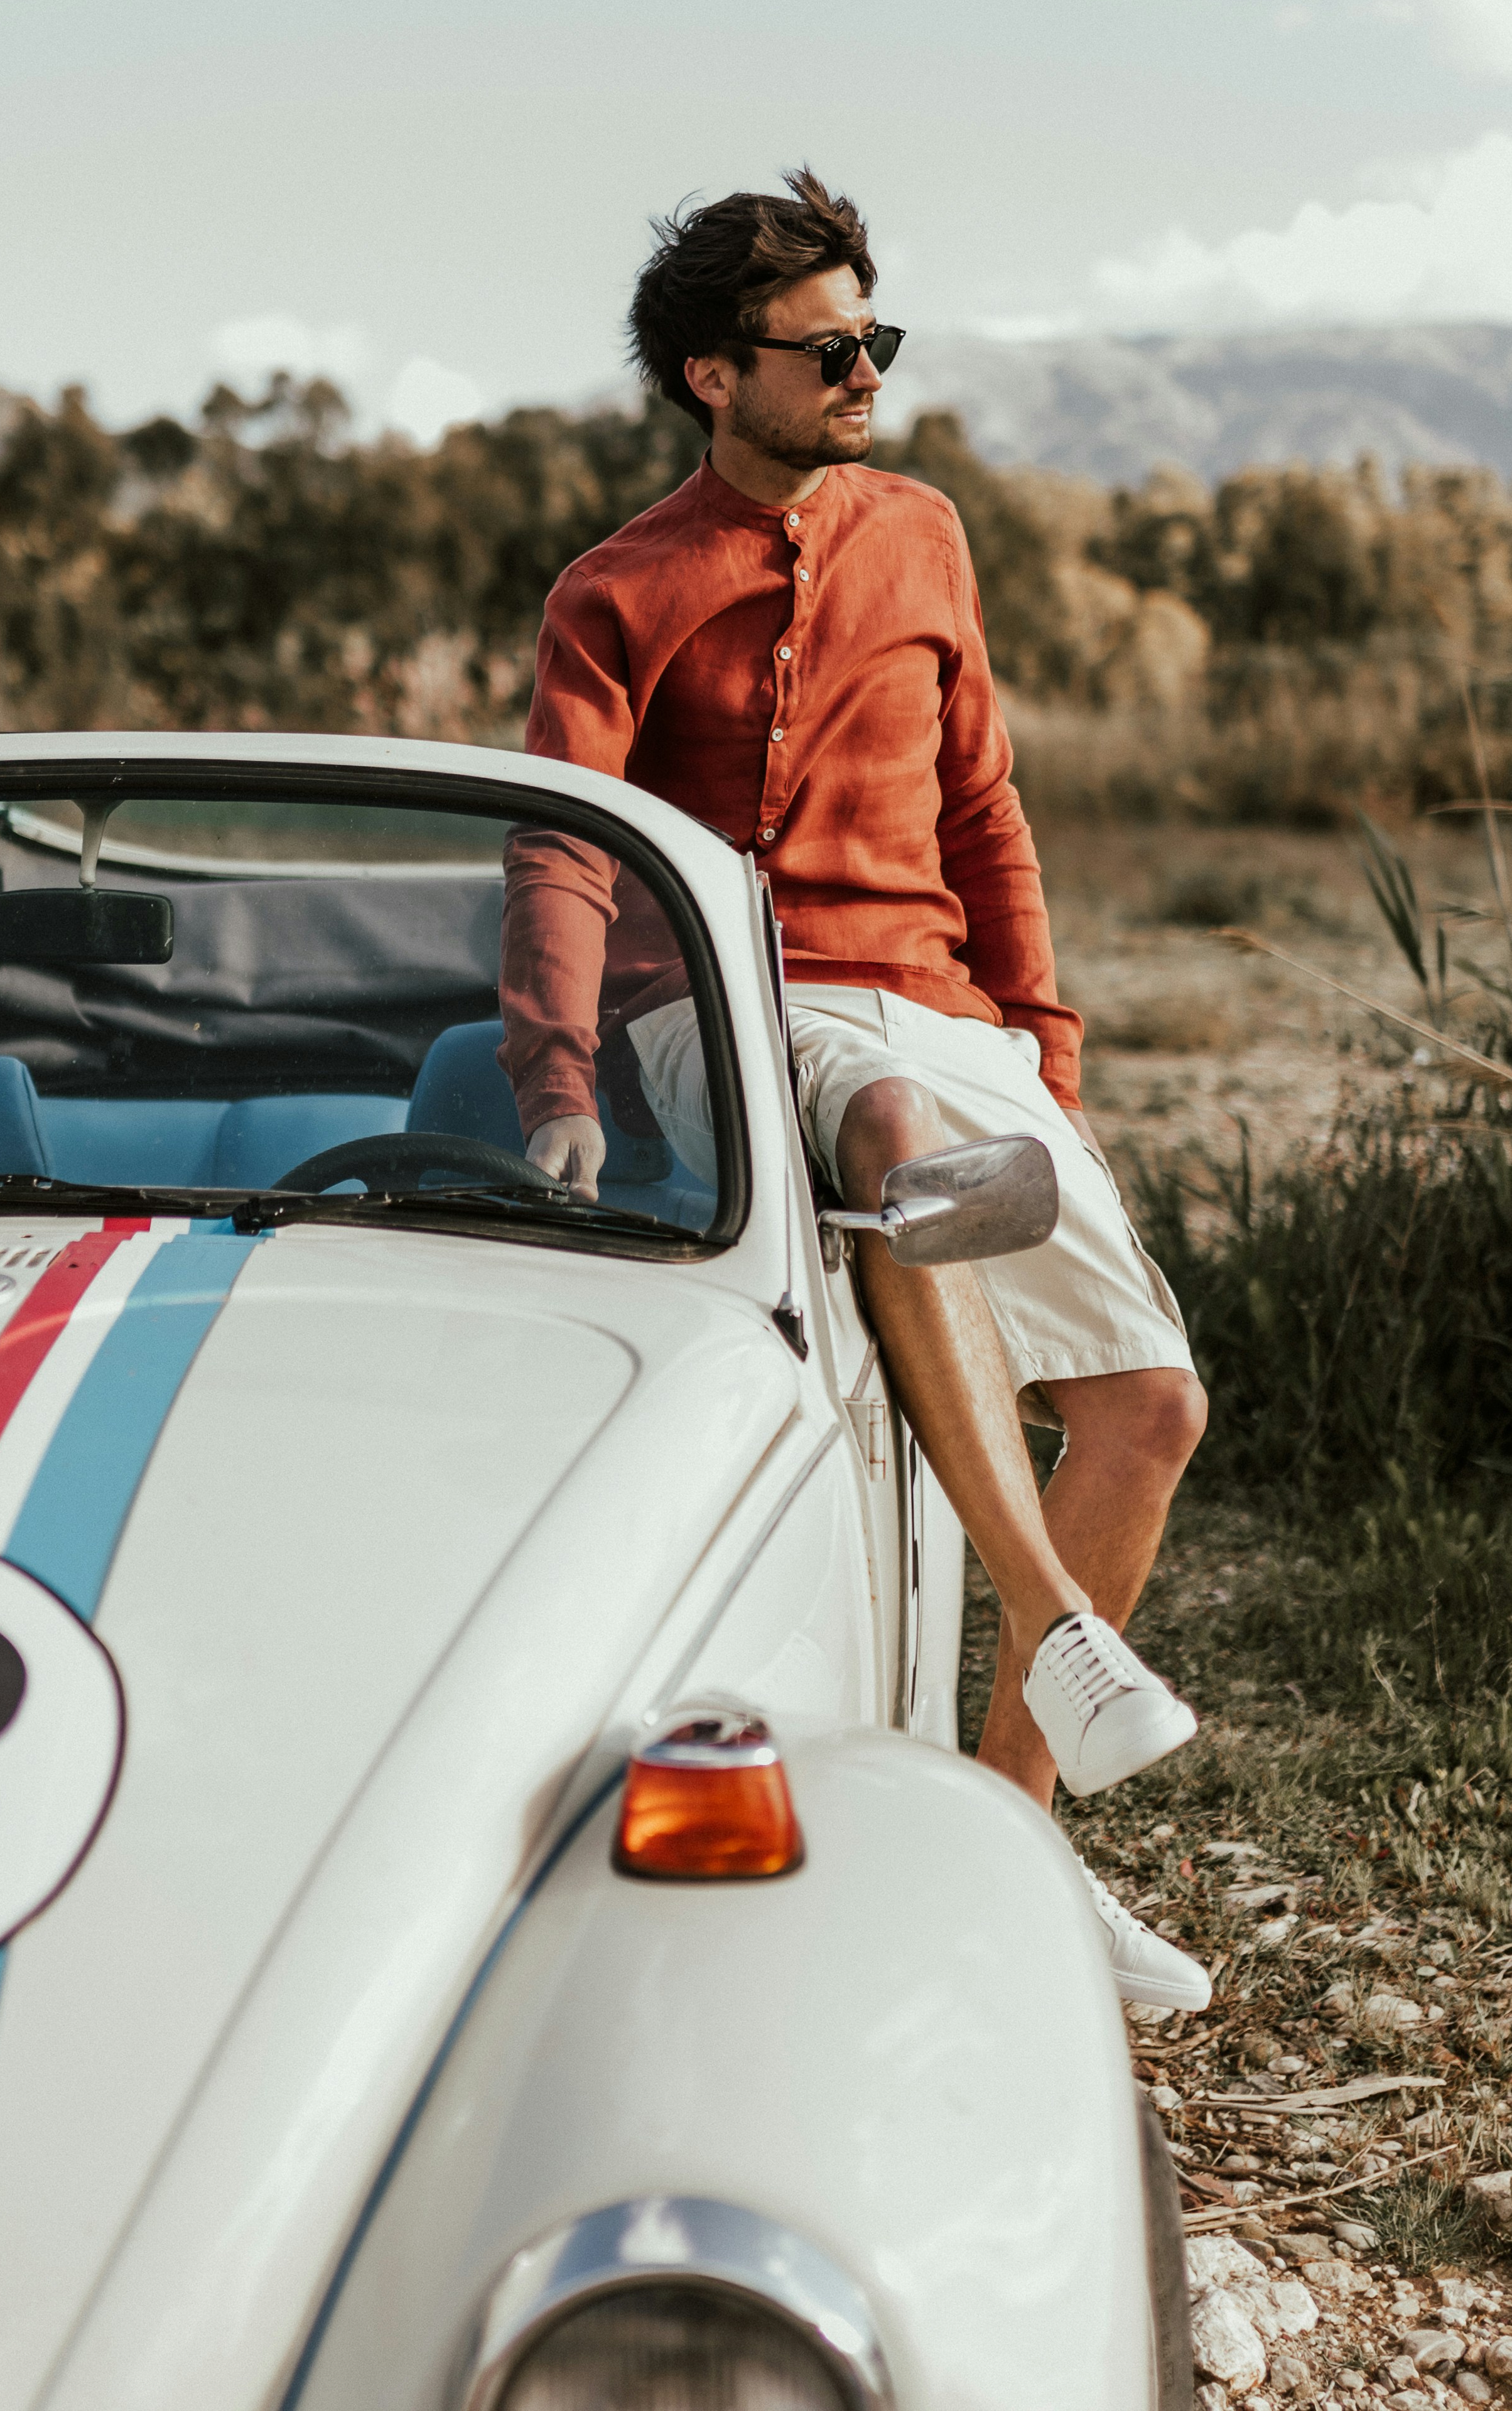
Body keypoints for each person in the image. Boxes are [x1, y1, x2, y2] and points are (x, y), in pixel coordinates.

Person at [500, 165, 1211, 2012]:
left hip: (944, 1012)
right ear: (709, 378)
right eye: (828, 349)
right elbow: (563, 854)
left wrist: (1041, 1045)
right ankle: (1058, 1627)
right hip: (741, 1008)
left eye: (877, 337)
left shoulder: (927, 534)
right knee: (895, 1143)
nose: (867, 372)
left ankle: (1017, 1841)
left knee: (1147, 1409)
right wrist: (557, 1076)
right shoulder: (619, 591)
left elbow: (984, 804)